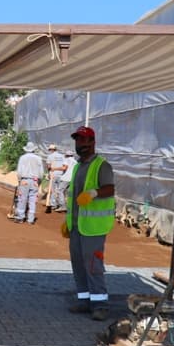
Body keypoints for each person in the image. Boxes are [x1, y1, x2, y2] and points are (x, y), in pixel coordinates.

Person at [65, 126, 115, 321]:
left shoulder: (102, 165)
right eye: (78, 141)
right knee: (78, 264)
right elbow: (73, 198)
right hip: (77, 226)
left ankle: (100, 305)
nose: (81, 144)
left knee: (93, 265)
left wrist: (94, 193)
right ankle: (85, 300)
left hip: (94, 228)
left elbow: (109, 189)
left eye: (84, 141)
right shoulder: (78, 166)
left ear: (92, 142)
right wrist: (67, 222)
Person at [13, 141, 44, 224]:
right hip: (34, 181)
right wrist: (39, 182)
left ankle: (20, 217)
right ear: (33, 149)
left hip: (25, 180)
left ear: (26, 149)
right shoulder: (38, 158)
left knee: (22, 198)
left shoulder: (22, 158)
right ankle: (31, 219)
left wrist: (20, 181)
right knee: (33, 200)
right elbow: (41, 173)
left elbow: (19, 172)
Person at [45, 144, 66, 213]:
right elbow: (64, 166)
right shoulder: (62, 156)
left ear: (51, 150)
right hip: (61, 174)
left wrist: (49, 173)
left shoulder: (50, 156)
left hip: (53, 174)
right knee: (60, 190)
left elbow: (48, 167)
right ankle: (61, 204)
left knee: (53, 190)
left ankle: (53, 204)